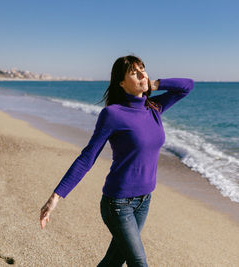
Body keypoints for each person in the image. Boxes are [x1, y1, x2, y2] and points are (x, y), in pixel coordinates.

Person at [39, 55, 194, 266]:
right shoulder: (112, 115)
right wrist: (55, 197)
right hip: (118, 203)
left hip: (144, 200)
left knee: (113, 260)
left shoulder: (154, 108)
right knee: (139, 262)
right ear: (121, 83)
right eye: (134, 72)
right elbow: (87, 157)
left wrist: (156, 84)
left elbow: (187, 86)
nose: (142, 74)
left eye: (143, 69)